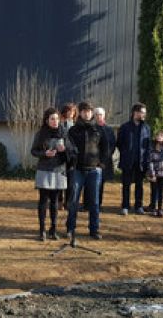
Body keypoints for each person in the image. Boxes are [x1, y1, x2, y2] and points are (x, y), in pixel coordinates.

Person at [67, 102, 109, 239]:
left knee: (94, 202)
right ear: (80, 113)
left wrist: (101, 164)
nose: (87, 113)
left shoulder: (98, 130)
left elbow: (105, 148)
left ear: (92, 113)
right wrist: (71, 164)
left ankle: (94, 230)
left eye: (89, 111)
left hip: (94, 171)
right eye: (84, 111)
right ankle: (70, 228)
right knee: (73, 201)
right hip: (77, 170)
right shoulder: (73, 130)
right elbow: (68, 149)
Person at [30, 107, 70, 241]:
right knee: (43, 201)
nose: (55, 121)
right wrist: (44, 154)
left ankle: (53, 230)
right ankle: (42, 230)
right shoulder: (41, 134)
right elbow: (33, 151)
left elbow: (71, 151)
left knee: (55, 202)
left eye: (57, 119)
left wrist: (64, 150)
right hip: (44, 170)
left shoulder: (64, 133)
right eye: (52, 119)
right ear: (47, 120)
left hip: (59, 170)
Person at [116, 103, 151, 215]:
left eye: (145, 113)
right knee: (126, 184)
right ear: (135, 113)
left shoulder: (146, 128)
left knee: (139, 185)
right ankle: (125, 206)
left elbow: (148, 145)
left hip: (141, 162)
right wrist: (126, 153)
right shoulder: (125, 127)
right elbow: (119, 143)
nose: (143, 115)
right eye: (142, 112)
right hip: (128, 161)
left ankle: (138, 206)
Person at [83, 107, 116, 212]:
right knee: (88, 184)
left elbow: (112, 145)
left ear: (104, 116)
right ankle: (86, 205)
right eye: (96, 114)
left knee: (100, 184)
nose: (98, 116)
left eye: (100, 114)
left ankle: (98, 204)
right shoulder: (90, 128)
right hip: (91, 161)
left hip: (103, 162)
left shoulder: (109, 130)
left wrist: (103, 160)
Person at [58, 102, 77, 210]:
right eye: (69, 111)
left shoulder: (76, 125)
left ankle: (68, 202)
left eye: (73, 111)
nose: (71, 113)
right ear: (64, 112)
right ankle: (59, 201)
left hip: (72, 157)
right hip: (61, 156)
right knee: (61, 179)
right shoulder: (60, 125)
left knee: (71, 181)